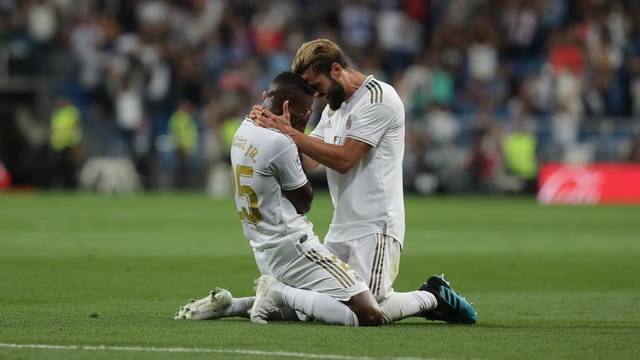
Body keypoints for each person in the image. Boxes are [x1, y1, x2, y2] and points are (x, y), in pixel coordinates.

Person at [250, 39, 476, 325]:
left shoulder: (379, 98)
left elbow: (346, 159)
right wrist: (281, 129)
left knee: (367, 312)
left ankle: (433, 296)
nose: (314, 94)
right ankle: (236, 304)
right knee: (315, 308)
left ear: (335, 69)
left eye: (313, 83)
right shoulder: (333, 109)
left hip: (376, 228)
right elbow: (308, 161)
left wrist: (292, 135)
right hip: (340, 227)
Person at [177, 71, 384, 326]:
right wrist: (291, 135)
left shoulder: (243, 129)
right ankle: (278, 291)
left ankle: (235, 305)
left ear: (265, 98)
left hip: (265, 250)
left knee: (311, 307)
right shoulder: (280, 142)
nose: (307, 117)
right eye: (306, 112)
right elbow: (304, 201)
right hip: (295, 248)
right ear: (287, 106)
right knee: (369, 312)